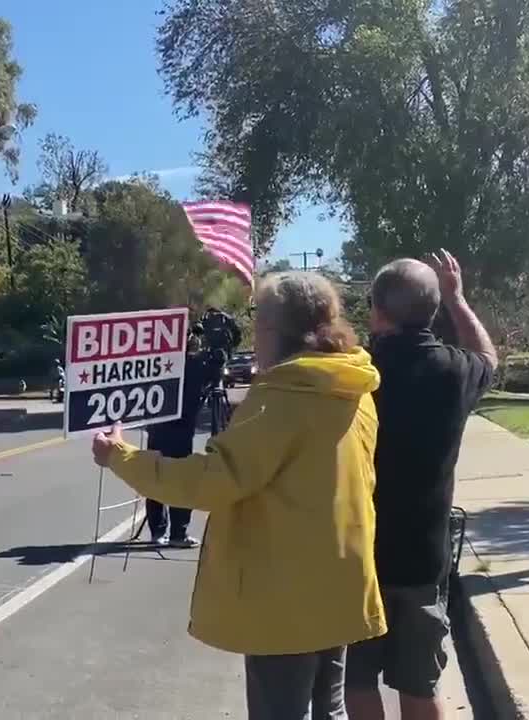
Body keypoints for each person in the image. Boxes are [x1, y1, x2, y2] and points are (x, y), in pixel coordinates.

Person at [92, 272, 387, 720]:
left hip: (286, 594)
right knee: (331, 708)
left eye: (257, 320)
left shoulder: (281, 397)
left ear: (274, 330)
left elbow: (214, 479)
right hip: (341, 578)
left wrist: (121, 457)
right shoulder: (353, 385)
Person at [345, 251, 497, 720]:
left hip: (356, 555)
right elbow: (489, 358)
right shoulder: (456, 372)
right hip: (423, 558)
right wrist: (458, 298)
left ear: (377, 309)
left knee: (356, 680)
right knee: (419, 683)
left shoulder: (353, 374)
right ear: (433, 311)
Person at [142, 330, 209, 548]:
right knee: (177, 479)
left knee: (157, 477)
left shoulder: (156, 362)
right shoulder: (190, 363)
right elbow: (208, 378)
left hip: (161, 429)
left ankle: (160, 532)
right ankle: (176, 533)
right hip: (175, 430)